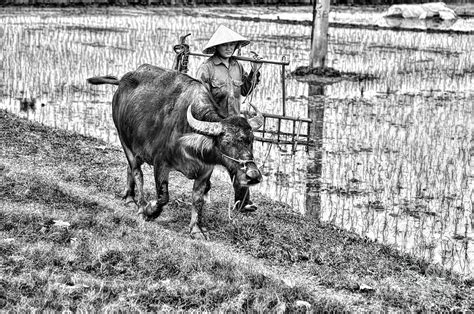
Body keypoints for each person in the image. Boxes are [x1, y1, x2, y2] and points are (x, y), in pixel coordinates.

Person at [196, 25, 263, 212]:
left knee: (241, 160)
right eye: (224, 45)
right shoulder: (207, 68)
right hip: (215, 123)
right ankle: (203, 188)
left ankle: (242, 202)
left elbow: (246, 89)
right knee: (207, 159)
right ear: (216, 47)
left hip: (235, 124)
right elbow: (198, 97)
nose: (228, 48)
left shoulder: (237, 66)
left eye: (232, 44)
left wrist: (255, 70)